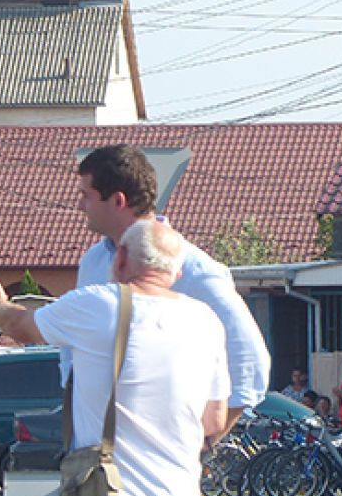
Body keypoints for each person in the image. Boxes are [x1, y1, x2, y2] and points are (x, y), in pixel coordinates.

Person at [0, 219, 229, 496]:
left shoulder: (97, 304)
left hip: (103, 494)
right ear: (176, 271)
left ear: (122, 257)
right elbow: (214, 421)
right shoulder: (206, 322)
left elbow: (20, 327)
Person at [68, 145, 269, 437]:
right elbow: (72, 356)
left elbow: (250, 364)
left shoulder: (195, 271)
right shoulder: (94, 262)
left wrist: (202, 446)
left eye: (86, 195)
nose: (80, 206)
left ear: (118, 200)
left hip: (157, 468)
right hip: (95, 459)